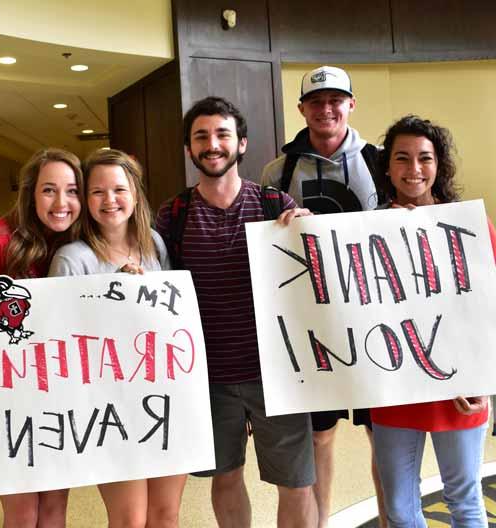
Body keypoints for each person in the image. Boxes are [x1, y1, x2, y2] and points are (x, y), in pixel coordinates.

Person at [156, 96, 317, 528]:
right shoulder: (173, 215)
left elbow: (311, 278)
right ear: (189, 149)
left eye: (222, 134)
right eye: (201, 137)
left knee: (296, 483)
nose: (213, 144)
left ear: (241, 144)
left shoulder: (274, 204)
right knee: (224, 477)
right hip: (208, 378)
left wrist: (308, 231)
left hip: (278, 373)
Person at [262, 65, 385, 527]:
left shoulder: (380, 161)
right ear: (301, 109)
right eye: (316, 101)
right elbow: (267, 247)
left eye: (335, 100)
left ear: (351, 104)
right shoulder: (279, 171)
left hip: (375, 321)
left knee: (383, 435)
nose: (326, 109)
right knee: (320, 437)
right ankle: (324, 520)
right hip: (312, 327)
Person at [49, 148, 186, 528]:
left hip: (162, 397)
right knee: (129, 518)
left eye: (119, 189)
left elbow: (170, 319)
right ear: (85, 199)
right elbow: (61, 338)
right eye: (97, 192)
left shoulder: (155, 245)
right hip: (108, 407)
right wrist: (111, 295)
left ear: (136, 194)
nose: (110, 200)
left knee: (165, 515)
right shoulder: (72, 258)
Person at [371, 114, 496, 527]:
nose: (414, 170)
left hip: (459, 387)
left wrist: (484, 379)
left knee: (464, 501)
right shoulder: (363, 230)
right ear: (387, 167)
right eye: (402, 158)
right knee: (400, 509)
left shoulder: (470, 227)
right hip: (395, 388)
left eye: (424, 158)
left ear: (438, 165)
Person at [0, 148, 83, 527]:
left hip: (61, 396)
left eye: (72, 190)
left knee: (55, 508)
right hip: (9, 399)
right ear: (31, 193)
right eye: (50, 190)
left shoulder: (76, 245)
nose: (62, 202)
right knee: (22, 511)